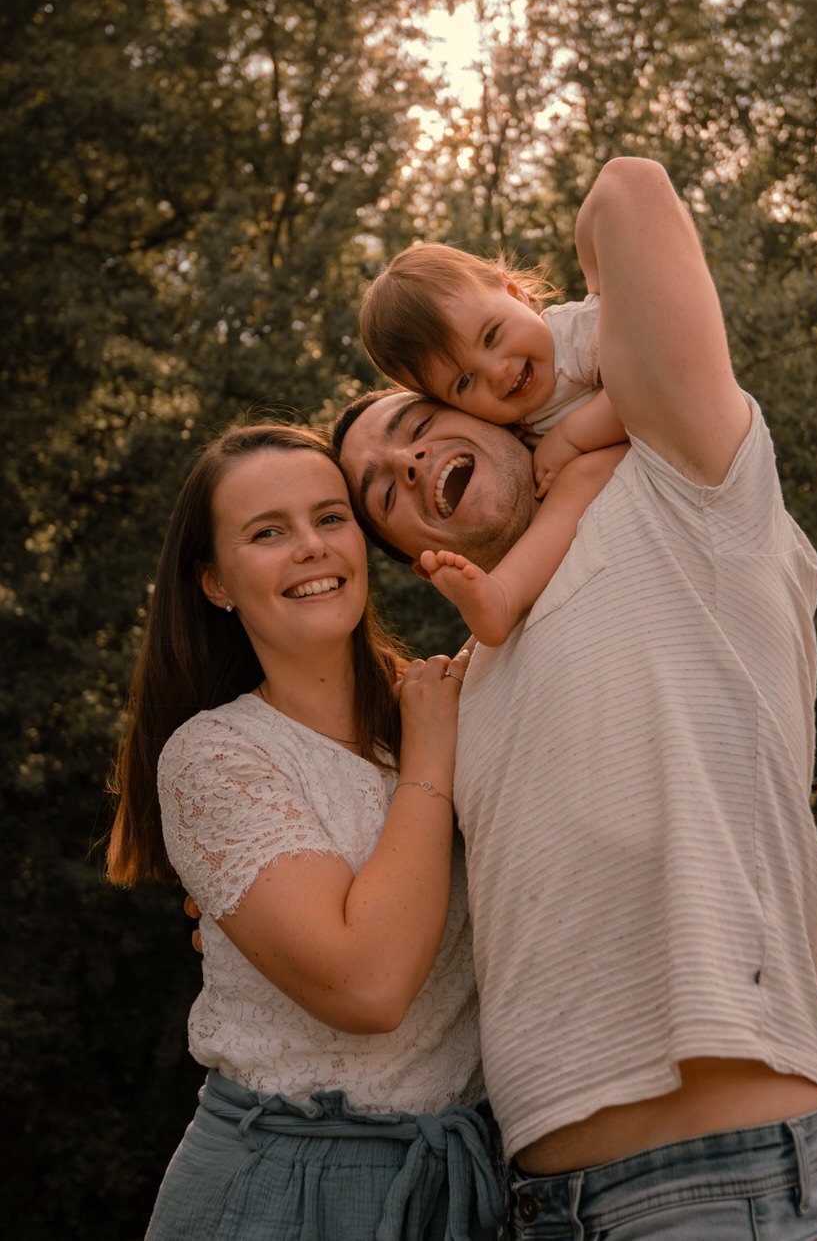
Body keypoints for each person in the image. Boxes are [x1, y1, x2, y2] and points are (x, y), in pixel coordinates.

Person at [333, 158, 817, 1239]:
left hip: (720, 1181)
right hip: (528, 1200)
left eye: (418, 417)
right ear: (402, 546)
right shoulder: (460, 690)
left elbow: (629, 193)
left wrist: (548, 349)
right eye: (378, 487)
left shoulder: (677, 481)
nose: (408, 459)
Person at [106, 422, 503, 1241]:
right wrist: (428, 768)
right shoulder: (215, 756)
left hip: (468, 1183)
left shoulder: (449, 703)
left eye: (330, 518)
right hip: (285, 1186)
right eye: (267, 533)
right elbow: (367, 986)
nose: (311, 549)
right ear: (215, 581)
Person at [358, 242, 626, 645]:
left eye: (491, 335)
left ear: (514, 292)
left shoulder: (580, 333)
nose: (498, 371)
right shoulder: (505, 419)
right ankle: (502, 597)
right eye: (464, 382)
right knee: (574, 488)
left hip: (672, 445)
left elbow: (653, 383)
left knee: (580, 475)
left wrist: (572, 437)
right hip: (613, 477)